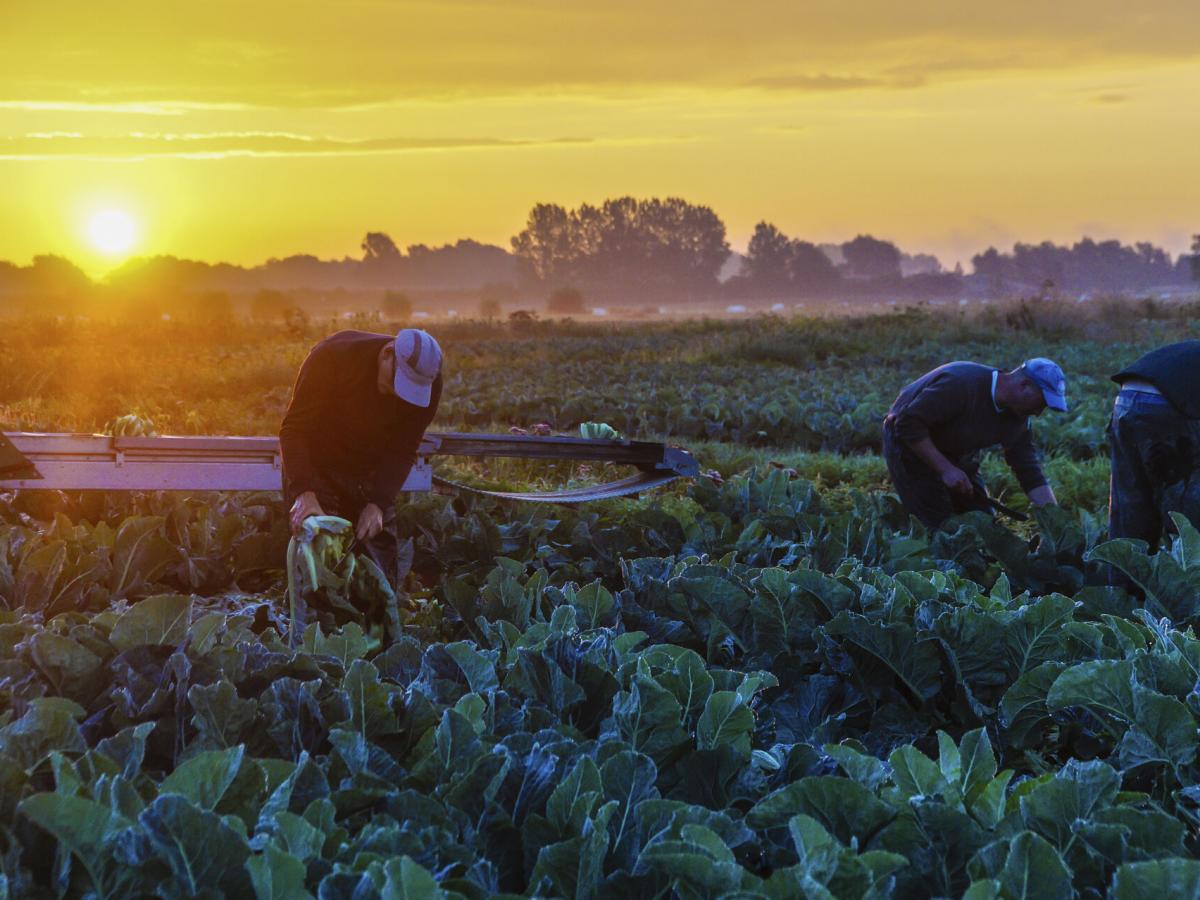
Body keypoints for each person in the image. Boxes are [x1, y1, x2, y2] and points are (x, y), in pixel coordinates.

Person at [280, 328, 443, 587]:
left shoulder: (428, 380)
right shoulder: (332, 357)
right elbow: (294, 430)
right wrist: (303, 491)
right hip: (317, 466)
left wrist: (378, 502)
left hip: (370, 471)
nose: (398, 394)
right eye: (397, 383)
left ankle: (376, 613)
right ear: (387, 354)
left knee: (380, 574)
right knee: (318, 566)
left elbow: (404, 448)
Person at [882, 358, 1066, 529]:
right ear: (1023, 385)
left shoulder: (1019, 419)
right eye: (1041, 403)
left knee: (983, 523)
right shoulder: (961, 384)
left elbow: (1028, 470)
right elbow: (907, 424)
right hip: (908, 442)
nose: (1038, 413)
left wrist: (1055, 525)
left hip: (957, 449)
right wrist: (946, 469)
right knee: (936, 523)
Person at [1108, 340, 1200, 548]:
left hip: (1126, 400)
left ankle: (1124, 566)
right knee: (1186, 509)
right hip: (1170, 405)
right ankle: (1186, 563)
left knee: (1130, 504)